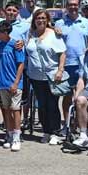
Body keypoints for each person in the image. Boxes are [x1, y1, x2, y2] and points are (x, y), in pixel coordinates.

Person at [24, 9, 67, 145]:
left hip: (52, 75)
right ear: (34, 20)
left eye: (43, 18)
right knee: (41, 105)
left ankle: (55, 131)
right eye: (38, 18)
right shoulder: (30, 34)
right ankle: (46, 131)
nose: (41, 20)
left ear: (47, 20)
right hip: (35, 76)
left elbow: (62, 53)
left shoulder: (54, 34)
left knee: (52, 104)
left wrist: (60, 70)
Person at [56, 0, 88, 133]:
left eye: (75, 5)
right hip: (66, 64)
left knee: (83, 96)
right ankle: (66, 125)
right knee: (67, 96)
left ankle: (83, 125)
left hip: (84, 64)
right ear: (66, 6)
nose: (73, 7)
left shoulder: (86, 23)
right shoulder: (59, 23)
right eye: (70, 5)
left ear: (78, 6)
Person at [0, 21, 25, 151]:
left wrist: (16, 82)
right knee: (6, 109)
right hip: (2, 83)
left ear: (5, 33)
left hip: (14, 83)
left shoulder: (15, 45)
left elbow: (21, 64)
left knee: (15, 109)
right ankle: (9, 134)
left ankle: (17, 137)